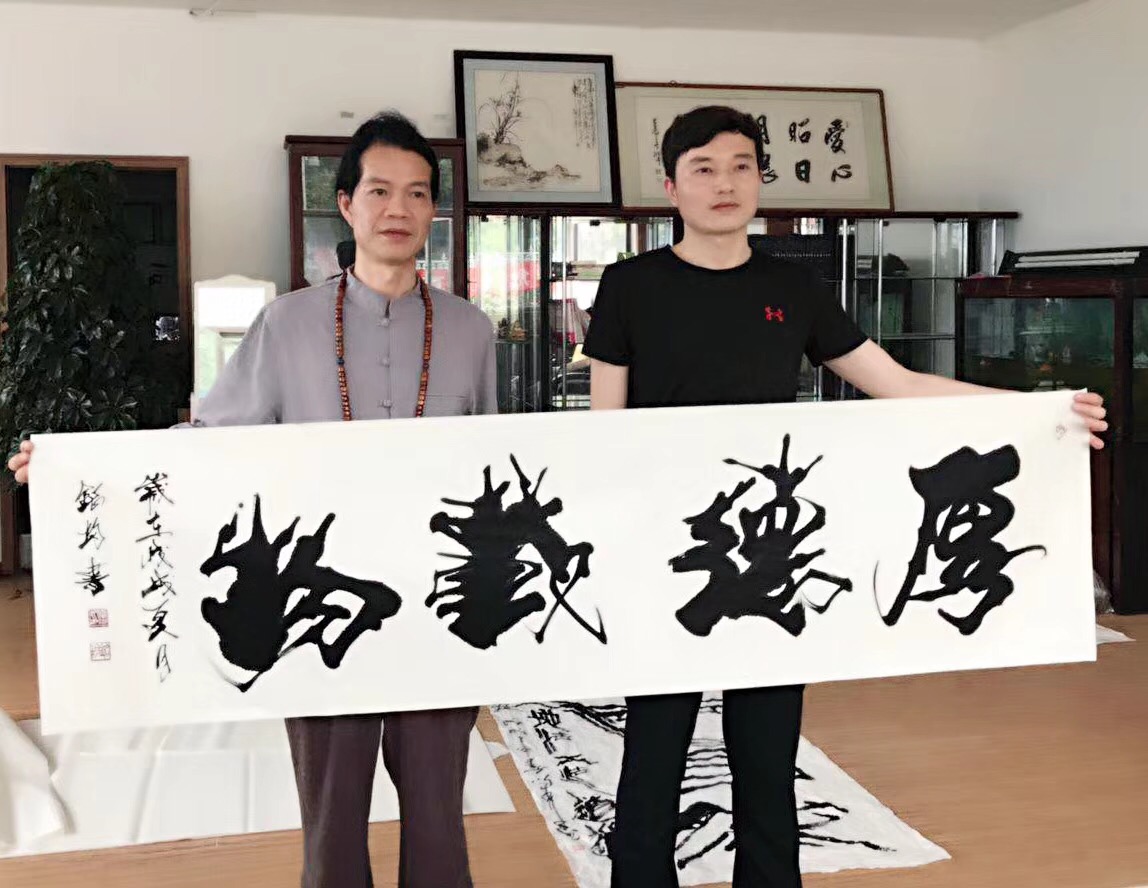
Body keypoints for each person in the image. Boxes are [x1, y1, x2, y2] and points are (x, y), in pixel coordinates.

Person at [581, 105, 1107, 888]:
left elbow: (896, 384)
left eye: (740, 166)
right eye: (703, 169)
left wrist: (1037, 410)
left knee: (768, 757)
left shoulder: (791, 288)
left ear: (760, 180)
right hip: (669, 554)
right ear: (671, 187)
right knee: (654, 752)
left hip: (771, 557)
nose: (724, 183)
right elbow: (602, 430)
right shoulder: (631, 286)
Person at [9, 111, 496, 888]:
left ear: (432, 209)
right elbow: (210, 440)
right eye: (379, 191)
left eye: (416, 193)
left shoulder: (472, 330)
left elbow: (497, 460)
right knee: (333, 818)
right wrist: (78, 467)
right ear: (346, 204)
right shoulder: (287, 324)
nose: (398, 209)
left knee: (440, 813)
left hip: (434, 603)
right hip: (318, 602)